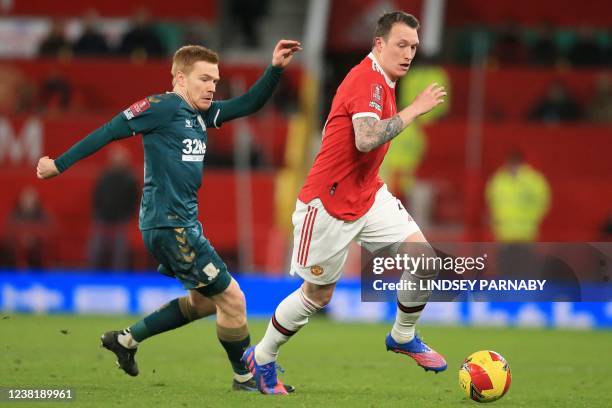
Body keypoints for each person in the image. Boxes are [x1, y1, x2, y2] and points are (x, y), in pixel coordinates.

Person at [36, 39, 301, 392]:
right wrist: (58, 164)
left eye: (215, 81)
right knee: (234, 299)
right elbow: (109, 130)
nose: (211, 87)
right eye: (204, 79)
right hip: (169, 224)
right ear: (179, 79)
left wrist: (275, 68)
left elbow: (248, 103)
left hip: (183, 223)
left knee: (204, 302)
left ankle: (127, 340)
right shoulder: (161, 106)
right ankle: (245, 378)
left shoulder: (200, 114)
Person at [243, 11, 447, 395]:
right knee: (317, 295)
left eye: (414, 47)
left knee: (425, 260)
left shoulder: (384, 81)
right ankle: (263, 357)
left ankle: (403, 335)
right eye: (401, 45)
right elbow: (366, 138)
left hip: (367, 195)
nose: (408, 54)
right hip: (329, 205)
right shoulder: (368, 80)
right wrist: (415, 109)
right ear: (379, 44)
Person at [88, 145, 139, 270]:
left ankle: (118, 275)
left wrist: (128, 215)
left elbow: (134, 199)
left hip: (121, 219)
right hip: (103, 216)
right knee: (95, 247)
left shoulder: (130, 178)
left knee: (120, 250)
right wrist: (98, 212)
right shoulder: (104, 176)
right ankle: (92, 274)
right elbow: (97, 195)